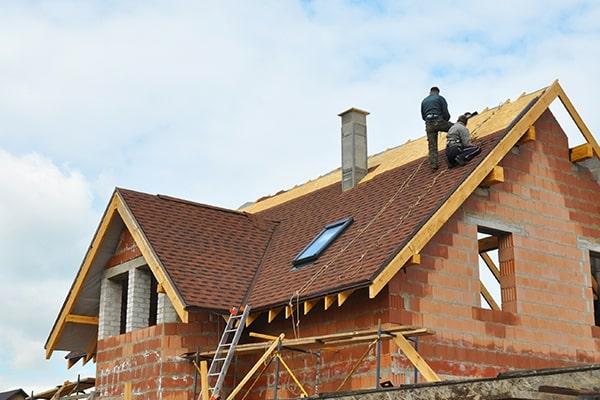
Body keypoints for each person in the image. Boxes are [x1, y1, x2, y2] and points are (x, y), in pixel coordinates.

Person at [421, 87, 452, 170]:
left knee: (432, 146)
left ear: (430, 92)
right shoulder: (440, 98)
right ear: (437, 92)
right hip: (438, 120)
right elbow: (445, 113)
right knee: (454, 128)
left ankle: (433, 165)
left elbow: (423, 116)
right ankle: (456, 147)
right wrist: (445, 121)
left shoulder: (424, 101)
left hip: (429, 124)